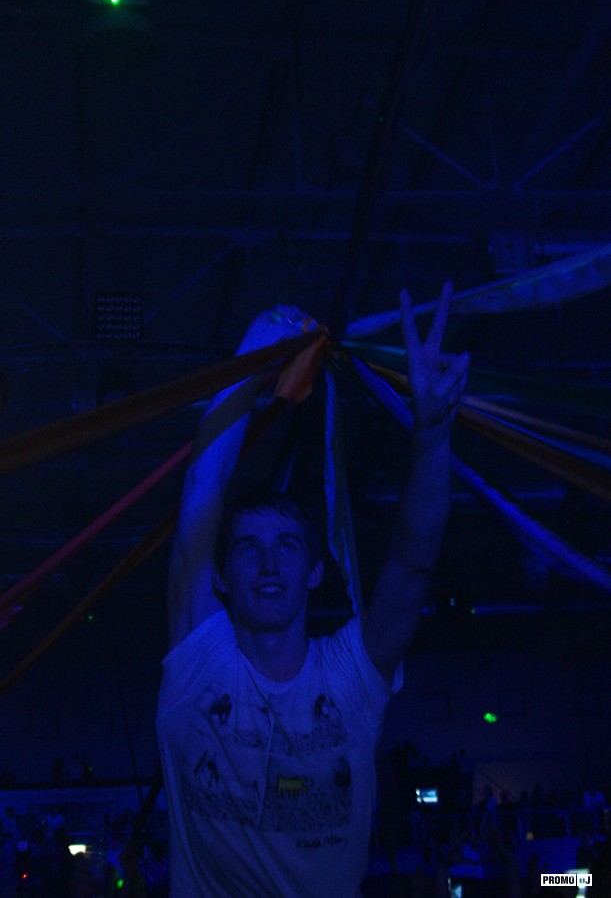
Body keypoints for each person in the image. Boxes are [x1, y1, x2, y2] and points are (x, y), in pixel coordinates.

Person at [156, 284, 470, 897]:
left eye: (287, 546)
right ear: (220, 577)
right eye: (247, 548)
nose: (269, 562)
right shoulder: (200, 663)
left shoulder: (350, 678)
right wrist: (253, 353)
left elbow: (413, 562)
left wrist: (433, 434)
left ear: (315, 571)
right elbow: (202, 487)